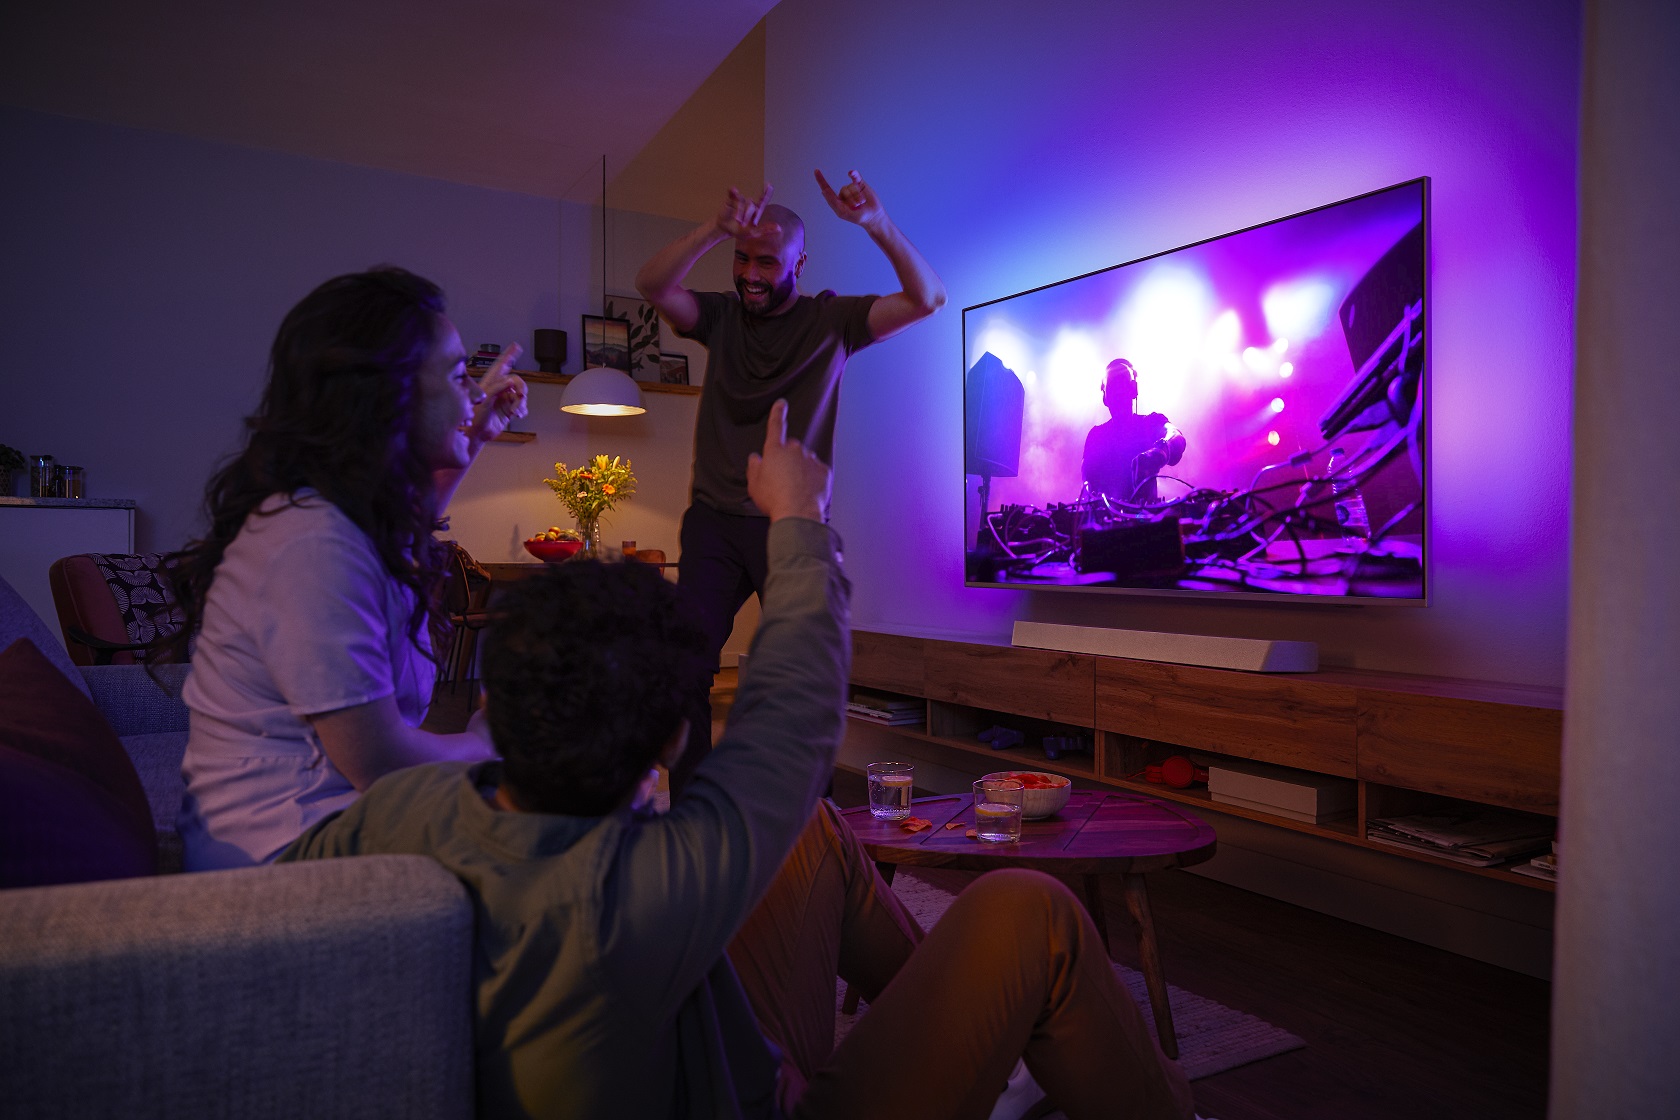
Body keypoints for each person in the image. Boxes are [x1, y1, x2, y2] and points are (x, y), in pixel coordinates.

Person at [280, 401, 1196, 1120]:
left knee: (808, 828)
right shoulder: (663, 882)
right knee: (1034, 909)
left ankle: (974, 1055)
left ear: (491, 706)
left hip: (691, 1059)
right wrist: (797, 514)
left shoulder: (398, 810)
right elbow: (793, 707)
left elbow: (279, 922)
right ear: (672, 740)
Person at [164, 266, 529, 870]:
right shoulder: (312, 543)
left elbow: (403, 540)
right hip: (288, 846)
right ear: (388, 396)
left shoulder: (341, 522)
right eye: (457, 374)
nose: (472, 393)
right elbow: (381, 764)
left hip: (338, 814)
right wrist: (486, 741)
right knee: (581, 829)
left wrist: (473, 438)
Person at [635, 169, 946, 791]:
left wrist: (876, 223)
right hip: (714, 524)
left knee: (801, 675)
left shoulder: (832, 322)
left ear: (799, 264)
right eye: (741, 258)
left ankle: (810, 819)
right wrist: (714, 228)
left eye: (767, 262)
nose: (750, 274)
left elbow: (927, 298)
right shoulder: (719, 317)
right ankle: (697, 809)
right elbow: (653, 284)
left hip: (793, 526)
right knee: (683, 667)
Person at [1082, 358, 1186, 505]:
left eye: (1122, 385)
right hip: (1106, 518)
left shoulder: (1151, 422)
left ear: (1134, 390)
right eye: (1113, 387)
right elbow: (1087, 487)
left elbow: (1176, 436)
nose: (1119, 392)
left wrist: (1161, 451)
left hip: (1147, 518)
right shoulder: (1096, 436)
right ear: (1105, 397)